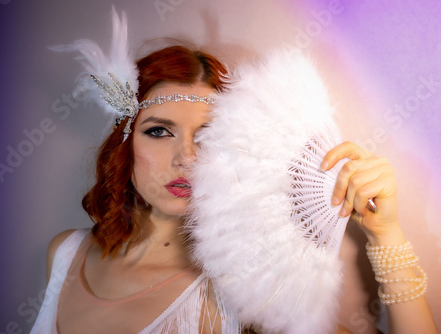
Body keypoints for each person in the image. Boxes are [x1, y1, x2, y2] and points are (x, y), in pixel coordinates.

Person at [31, 12, 437, 334]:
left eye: (207, 135)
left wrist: (387, 234)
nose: (186, 158)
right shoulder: (65, 254)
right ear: (125, 144)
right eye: (159, 131)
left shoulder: (248, 288)